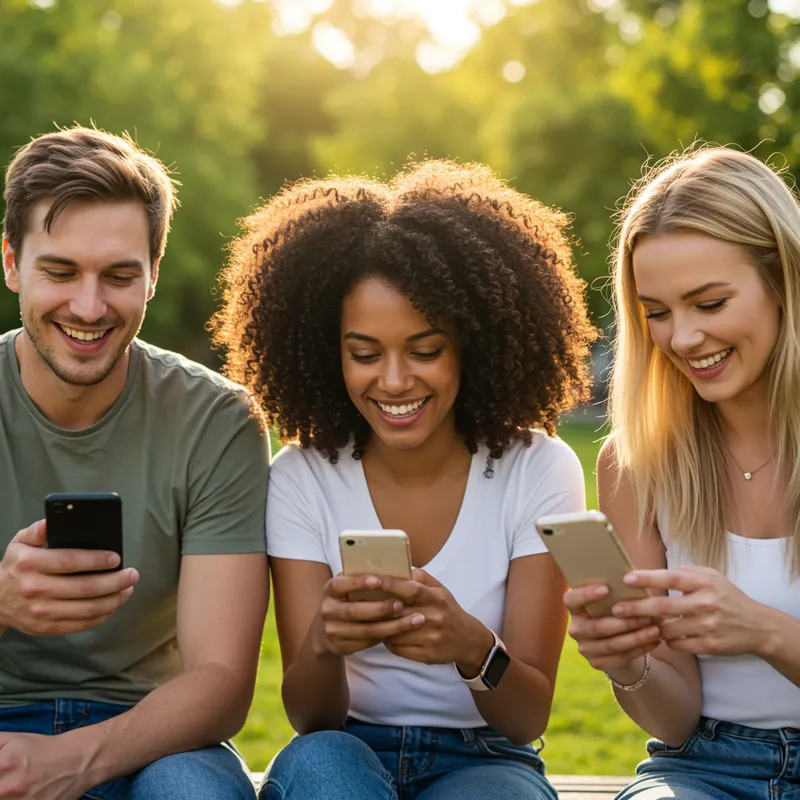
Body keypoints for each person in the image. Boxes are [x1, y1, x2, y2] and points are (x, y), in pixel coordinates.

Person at [212, 160, 597, 800]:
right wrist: (325, 644)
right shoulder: (303, 476)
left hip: (486, 761)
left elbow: (527, 718)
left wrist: (474, 646)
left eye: (425, 350)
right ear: (325, 350)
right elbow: (312, 720)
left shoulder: (538, 468)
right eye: (364, 354)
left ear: (473, 343)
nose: (393, 382)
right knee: (318, 770)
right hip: (346, 752)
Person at [0, 126, 270, 799]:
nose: (88, 308)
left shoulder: (218, 420)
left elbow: (222, 680)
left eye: (119, 276)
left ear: (152, 274)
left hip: (153, 732)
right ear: (11, 262)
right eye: (60, 271)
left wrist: (75, 762)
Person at [565, 146, 800, 799]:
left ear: (783, 279)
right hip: (704, 768)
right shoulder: (636, 464)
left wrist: (764, 631)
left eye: (710, 302)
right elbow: (673, 721)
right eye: (659, 313)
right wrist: (628, 662)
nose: (685, 339)